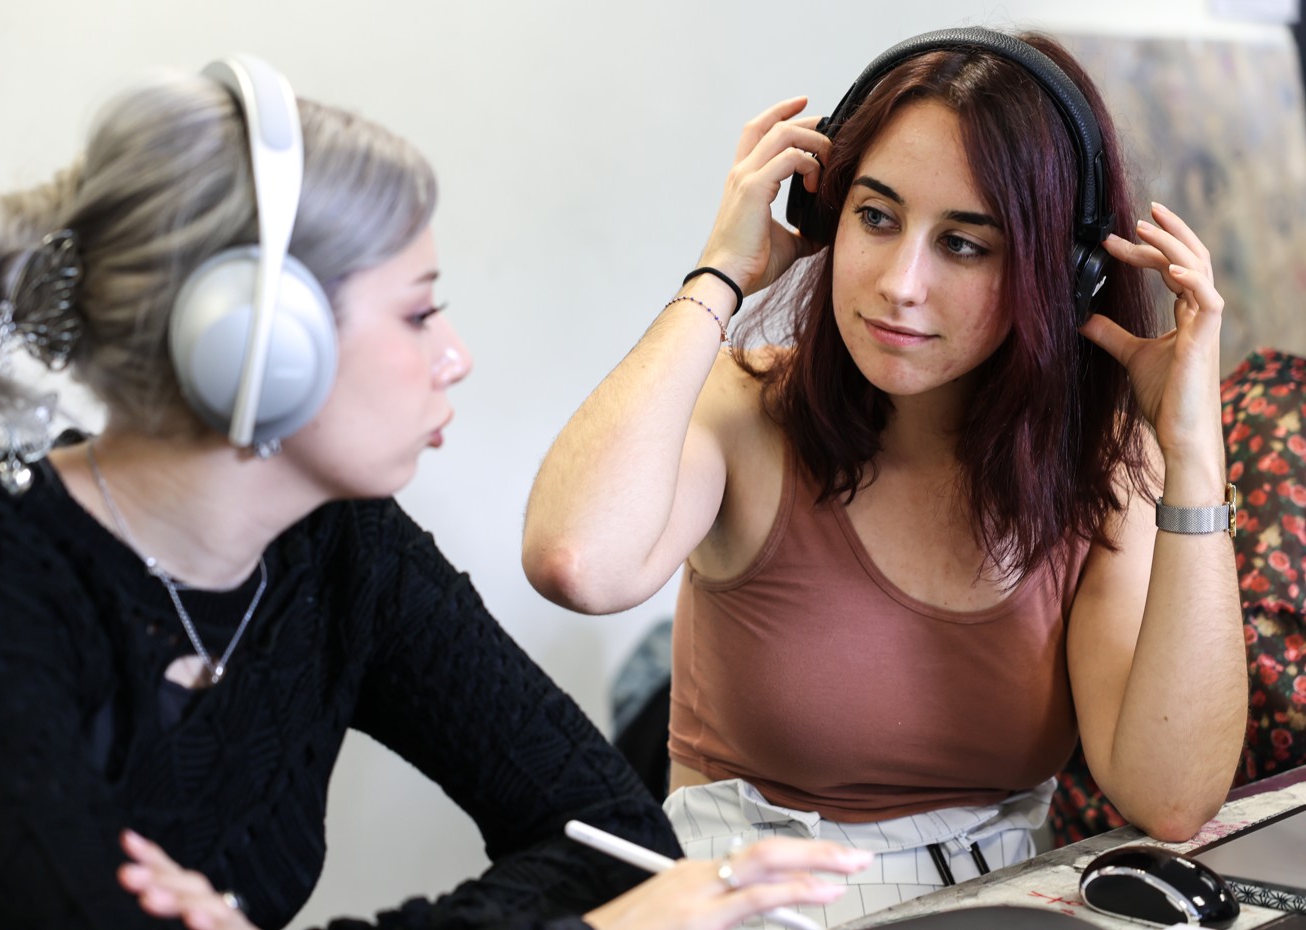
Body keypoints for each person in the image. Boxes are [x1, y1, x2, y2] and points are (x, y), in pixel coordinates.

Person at [0, 57, 875, 930]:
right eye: (418, 312)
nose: (455, 356)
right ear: (259, 347)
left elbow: (612, 837)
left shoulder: (342, 545)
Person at [521, 27, 1249, 925]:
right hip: (761, 902)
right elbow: (575, 563)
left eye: (964, 244)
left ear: (1067, 275)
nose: (901, 283)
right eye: (875, 217)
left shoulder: (1100, 461)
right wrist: (719, 276)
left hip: (996, 905)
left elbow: (1170, 797)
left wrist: (1192, 451)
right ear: (826, 215)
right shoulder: (745, 407)